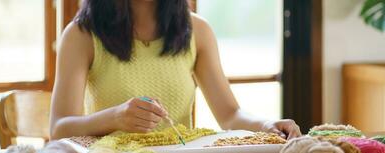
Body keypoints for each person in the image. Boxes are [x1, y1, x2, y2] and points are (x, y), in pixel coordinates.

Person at [49, 0, 301, 140]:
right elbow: (59, 128)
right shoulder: (80, 35)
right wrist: (115, 118)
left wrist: (267, 124)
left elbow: (230, 115)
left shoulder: (198, 31)